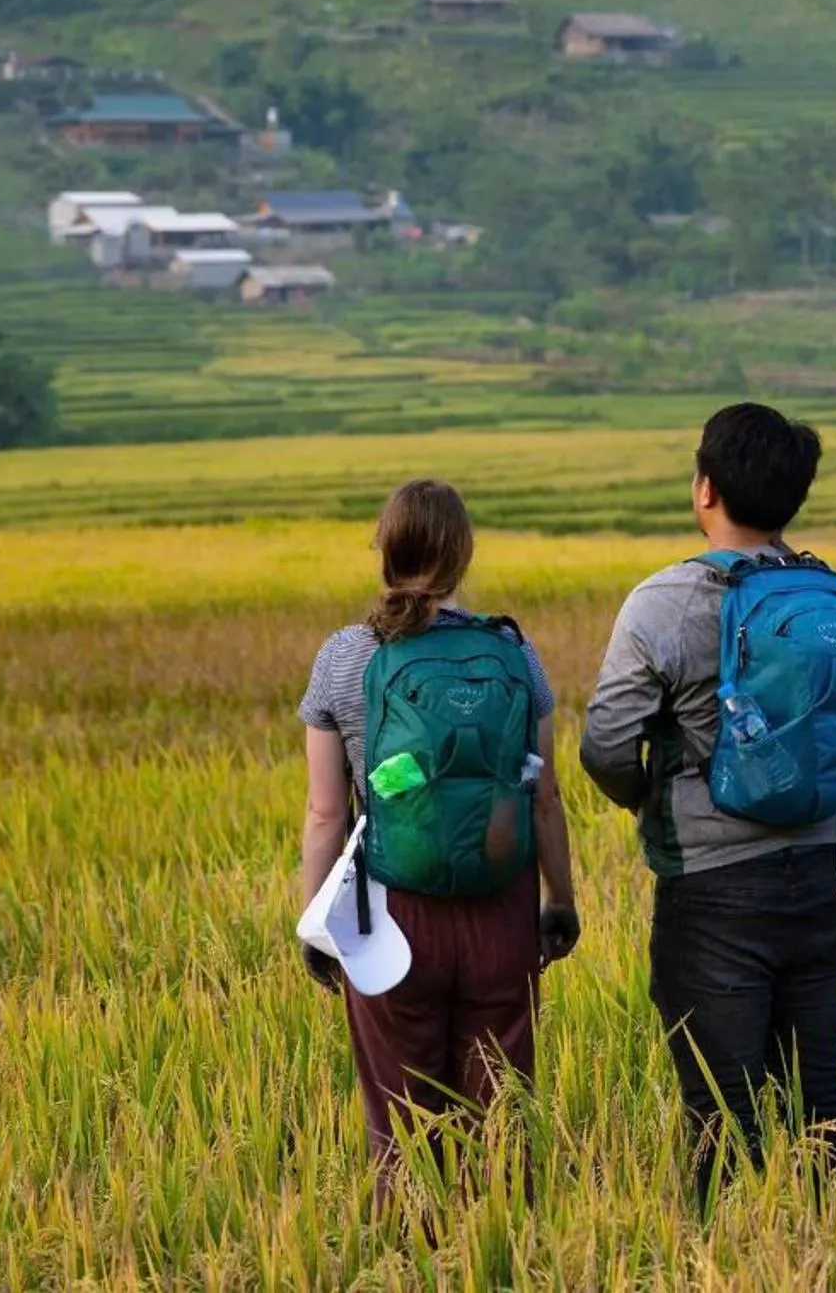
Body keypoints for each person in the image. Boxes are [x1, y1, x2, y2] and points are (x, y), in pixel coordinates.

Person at [581, 404, 836, 1204]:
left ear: (705, 488)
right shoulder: (830, 594)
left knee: (720, 1112)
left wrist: (646, 798)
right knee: (823, 1100)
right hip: (819, 871)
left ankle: (726, 1255)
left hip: (712, 884)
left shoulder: (662, 603)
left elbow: (604, 744)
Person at [297, 480, 579, 1204]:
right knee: (500, 1125)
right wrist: (561, 900)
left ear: (384, 551)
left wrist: (314, 924)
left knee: (401, 1130)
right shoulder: (514, 653)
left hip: (392, 915)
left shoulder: (344, 657)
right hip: (500, 906)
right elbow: (543, 794)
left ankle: (414, 1261)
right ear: (462, 556)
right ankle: (501, 1255)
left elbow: (327, 812)